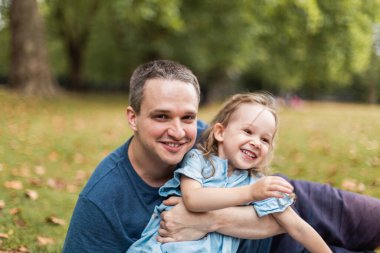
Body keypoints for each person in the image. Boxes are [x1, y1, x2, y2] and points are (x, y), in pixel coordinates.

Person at [63, 59, 380, 253]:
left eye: (187, 117)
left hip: (295, 202)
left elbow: (282, 216)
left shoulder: (205, 138)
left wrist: (208, 220)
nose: (178, 131)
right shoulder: (102, 201)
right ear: (133, 118)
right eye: (161, 117)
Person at [127, 92, 332, 253]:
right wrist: (250, 194)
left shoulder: (258, 183)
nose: (255, 142)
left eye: (265, 139)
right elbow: (193, 199)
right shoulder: (200, 160)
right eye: (248, 131)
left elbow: (298, 227)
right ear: (220, 132)